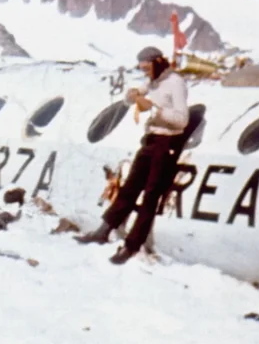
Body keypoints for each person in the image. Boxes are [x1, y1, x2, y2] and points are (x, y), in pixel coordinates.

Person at [75, 47, 190, 264]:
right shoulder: (154, 81)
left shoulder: (175, 83)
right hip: (150, 140)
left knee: (150, 197)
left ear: (157, 62)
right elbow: (138, 94)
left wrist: (155, 110)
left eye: (146, 67)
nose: (145, 72)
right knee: (129, 189)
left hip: (166, 144)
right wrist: (131, 98)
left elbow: (182, 120)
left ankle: (132, 245)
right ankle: (103, 230)